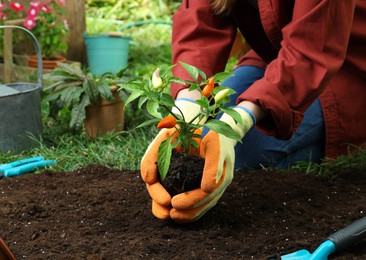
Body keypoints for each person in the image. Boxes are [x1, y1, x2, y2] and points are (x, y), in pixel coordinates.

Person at [140, 0, 366, 223]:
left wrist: (236, 124)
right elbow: (200, 25)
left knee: (243, 153)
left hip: (343, 66)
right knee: (207, 135)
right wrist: (187, 103)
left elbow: (311, 50)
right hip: (272, 55)